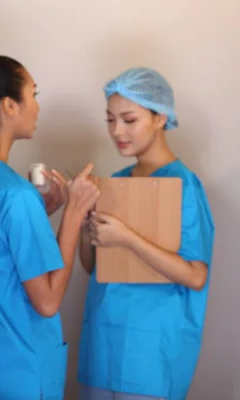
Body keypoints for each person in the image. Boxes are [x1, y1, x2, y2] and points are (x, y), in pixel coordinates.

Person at [0, 55, 100, 400]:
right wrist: (74, 212)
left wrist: (44, 213)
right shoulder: (14, 194)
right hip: (17, 376)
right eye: (34, 94)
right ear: (10, 105)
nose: (38, 107)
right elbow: (48, 301)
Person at [77, 67, 215, 400]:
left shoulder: (184, 186)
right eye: (110, 120)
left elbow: (196, 276)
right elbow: (93, 266)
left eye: (129, 119)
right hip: (102, 343)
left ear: (160, 117)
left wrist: (127, 237)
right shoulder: (116, 181)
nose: (117, 131)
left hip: (151, 353)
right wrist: (84, 221)